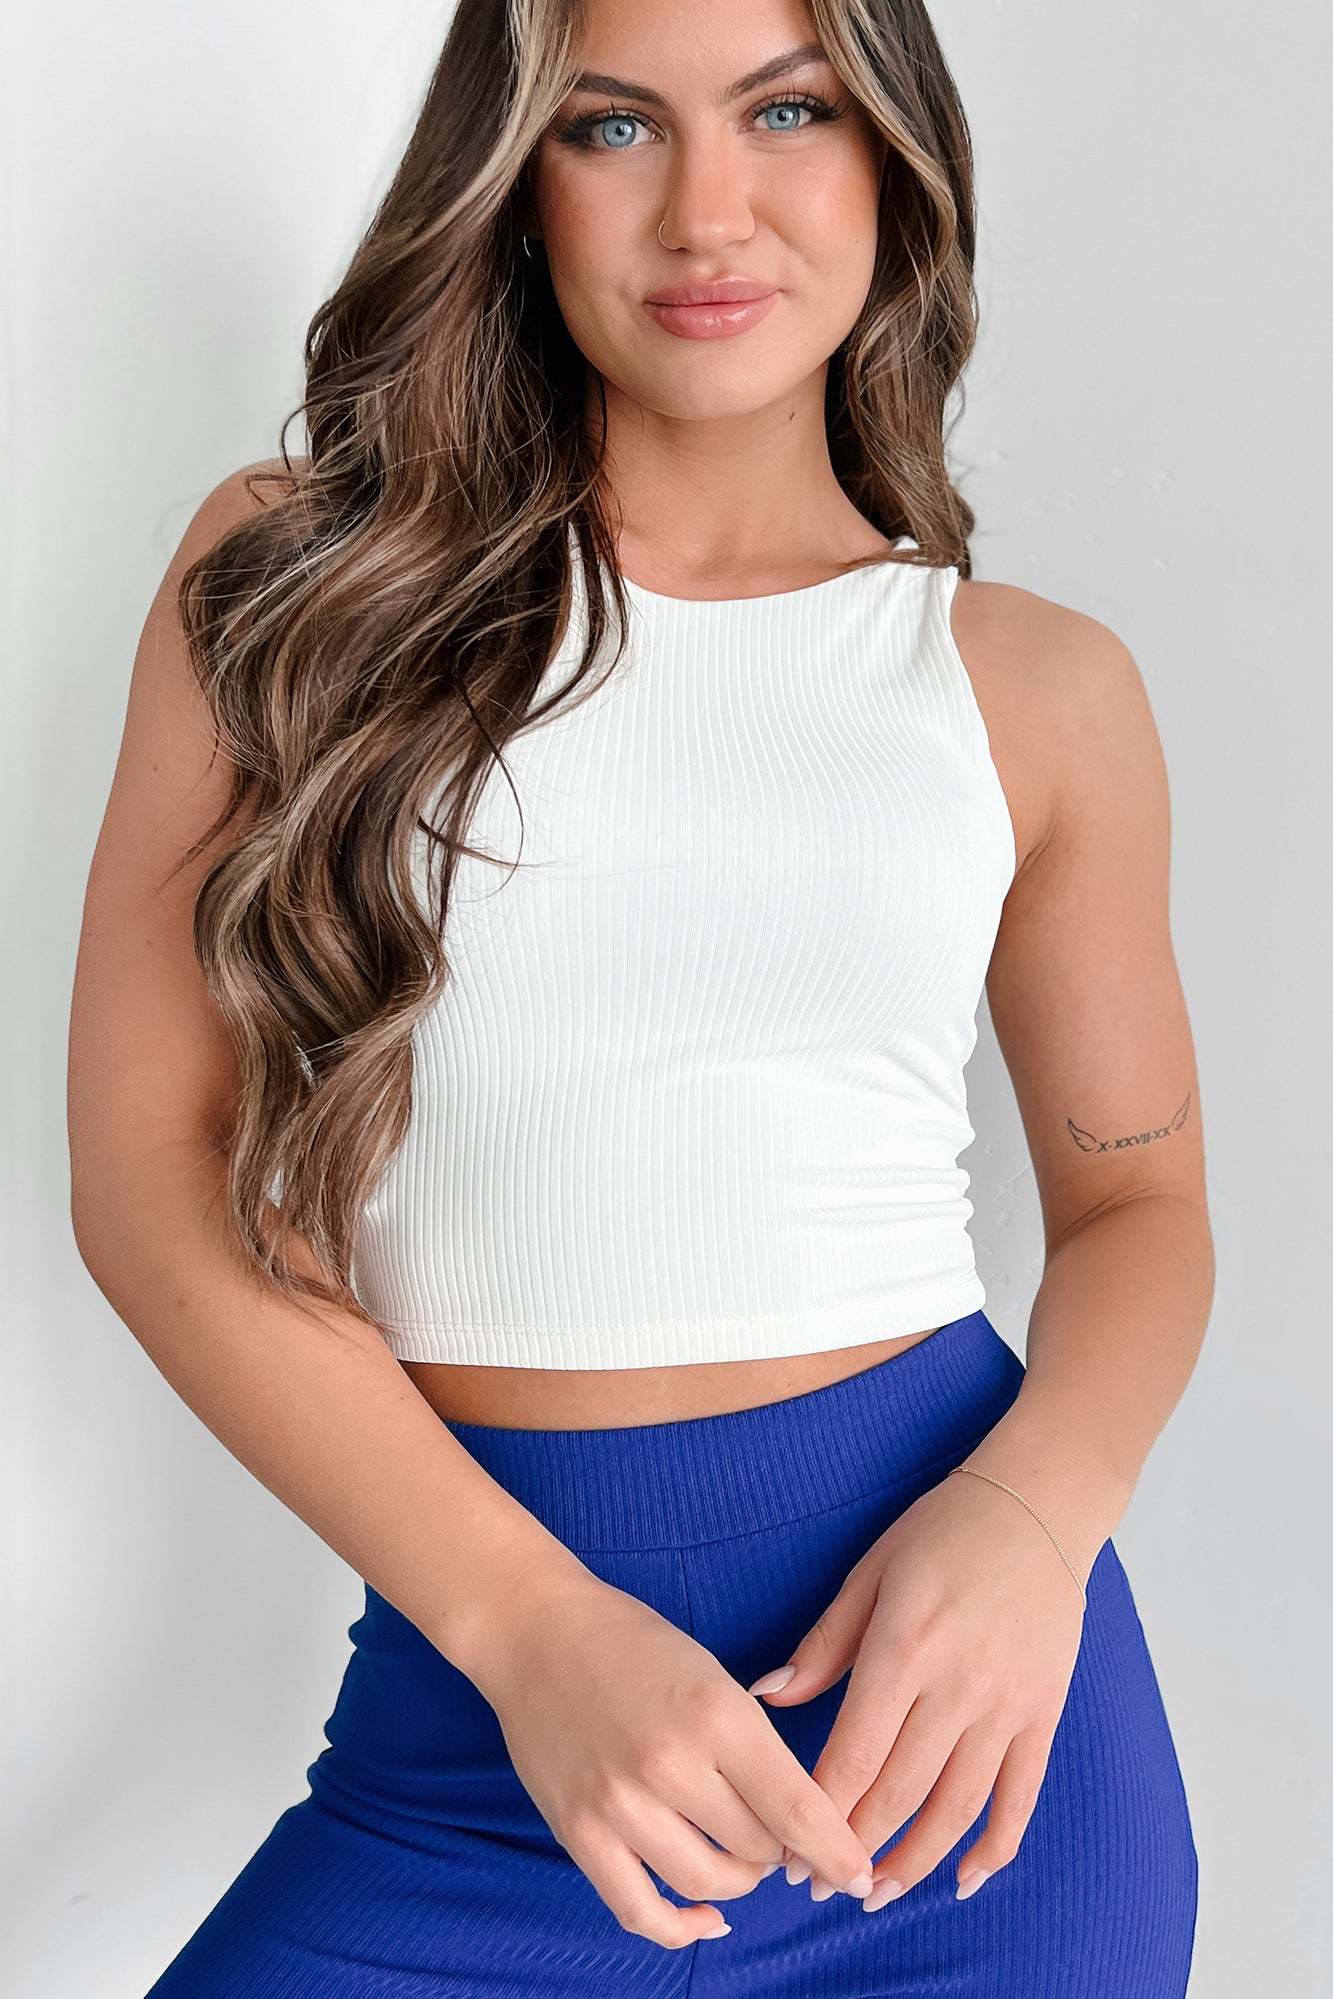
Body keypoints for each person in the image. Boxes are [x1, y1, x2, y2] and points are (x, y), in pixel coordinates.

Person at [68, 0, 1211, 1991]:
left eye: (788, 112)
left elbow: (1139, 1207)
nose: (707, 211)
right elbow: (151, 1179)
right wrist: (528, 1631)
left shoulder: (1035, 689)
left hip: (959, 1778)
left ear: (898, 165)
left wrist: (1036, 1520)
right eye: (610, 127)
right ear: (511, 180)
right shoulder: (297, 587)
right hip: (474, 1748)